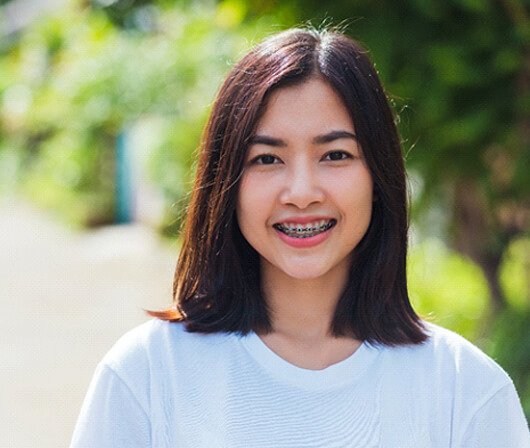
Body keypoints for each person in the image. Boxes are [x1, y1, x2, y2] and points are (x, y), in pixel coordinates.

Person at [71, 27, 530, 447]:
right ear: (225, 182)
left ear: (379, 176)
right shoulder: (148, 374)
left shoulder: (466, 391)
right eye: (267, 159)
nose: (302, 193)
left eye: (335, 154)